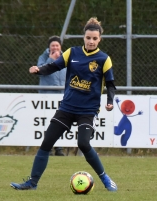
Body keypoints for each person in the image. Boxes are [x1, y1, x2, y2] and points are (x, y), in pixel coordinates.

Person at [10, 17, 117, 191]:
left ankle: (105, 178)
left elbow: (111, 85)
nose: (91, 41)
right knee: (47, 142)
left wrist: (110, 101)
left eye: (94, 39)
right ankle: (32, 183)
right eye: (88, 38)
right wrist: (39, 70)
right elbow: (53, 66)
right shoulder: (72, 53)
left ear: (99, 39)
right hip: (67, 107)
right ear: (84, 37)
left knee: (83, 143)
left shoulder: (104, 59)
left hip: (87, 111)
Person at [37, 35, 66, 156]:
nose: (55, 47)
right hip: (47, 95)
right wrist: (51, 60)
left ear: (60, 47)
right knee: (48, 123)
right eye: (53, 45)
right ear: (49, 47)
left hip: (63, 95)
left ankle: (59, 148)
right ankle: (47, 148)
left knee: (61, 122)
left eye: (57, 45)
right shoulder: (43, 58)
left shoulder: (66, 57)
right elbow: (39, 71)